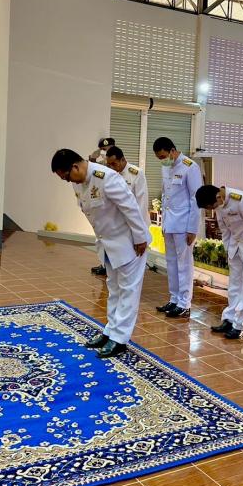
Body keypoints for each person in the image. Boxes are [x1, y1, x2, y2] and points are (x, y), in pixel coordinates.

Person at [52, 149, 150, 358]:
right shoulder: (78, 182)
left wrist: (141, 238)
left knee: (128, 291)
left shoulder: (106, 178)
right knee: (114, 289)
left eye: (66, 176)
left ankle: (120, 339)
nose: (67, 181)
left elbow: (131, 208)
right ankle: (110, 331)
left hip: (129, 243)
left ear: (75, 167)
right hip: (108, 245)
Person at [196, 185, 243, 340]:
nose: (214, 209)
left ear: (218, 197)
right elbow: (225, 230)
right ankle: (229, 319)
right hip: (235, 247)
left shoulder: (242, 200)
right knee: (234, 285)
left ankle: (239, 326)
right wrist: (228, 251)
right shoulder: (219, 203)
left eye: (212, 207)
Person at [153, 137, 201, 319]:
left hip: (183, 225)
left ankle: (184, 304)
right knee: (171, 263)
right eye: (159, 158)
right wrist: (163, 223)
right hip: (169, 224)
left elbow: (196, 199)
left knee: (184, 265)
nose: (162, 160)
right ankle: (174, 299)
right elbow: (165, 196)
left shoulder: (190, 167)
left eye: (163, 156)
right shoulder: (166, 167)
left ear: (172, 151)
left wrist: (192, 228)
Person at [89, 138, 116, 275]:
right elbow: (92, 171)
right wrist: (93, 159)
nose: (105, 152)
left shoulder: (117, 162)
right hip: (101, 205)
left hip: (113, 208)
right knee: (100, 239)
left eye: (107, 149)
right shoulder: (101, 164)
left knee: (111, 239)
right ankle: (104, 264)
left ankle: (111, 265)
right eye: (103, 150)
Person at [105, 146, 150, 227]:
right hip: (120, 222)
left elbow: (142, 202)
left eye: (113, 164)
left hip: (135, 222)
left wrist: (139, 226)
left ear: (122, 159)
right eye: (109, 165)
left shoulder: (136, 174)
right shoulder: (111, 174)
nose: (111, 167)